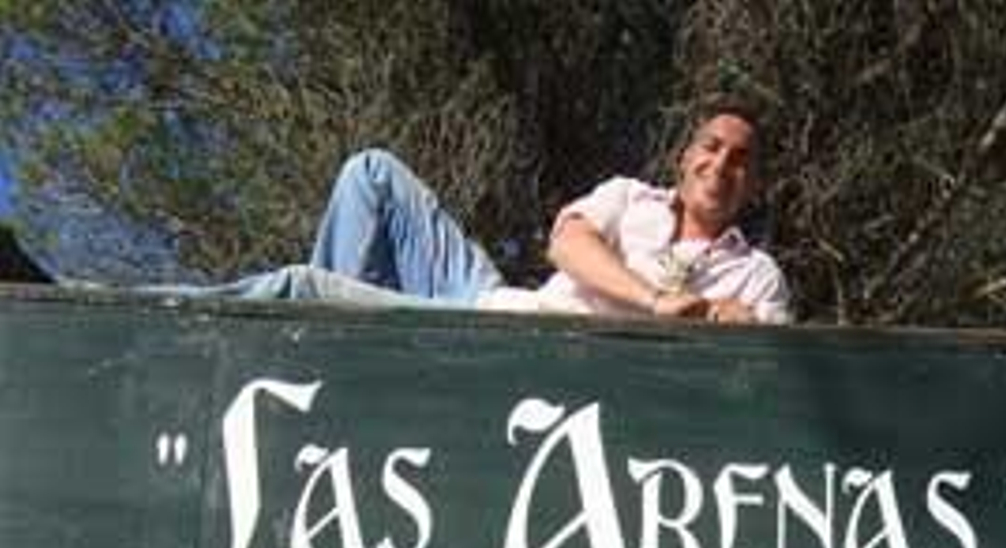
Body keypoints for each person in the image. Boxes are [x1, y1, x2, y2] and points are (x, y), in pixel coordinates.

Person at [218, 104, 790, 324]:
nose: (721, 164)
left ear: (753, 183)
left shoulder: (756, 274)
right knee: (371, 173)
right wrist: (657, 301)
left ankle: (325, 334)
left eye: (741, 160)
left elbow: (770, 377)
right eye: (711, 146)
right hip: (495, 301)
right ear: (685, 157)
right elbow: (567, 247)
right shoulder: (629, 197)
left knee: (300, 286)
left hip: (520, 342)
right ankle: (334, 351)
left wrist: (744, 329)